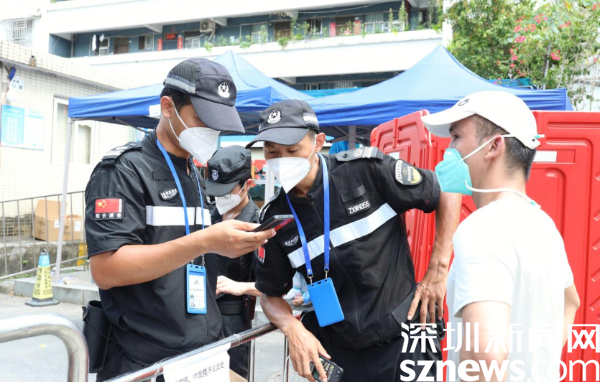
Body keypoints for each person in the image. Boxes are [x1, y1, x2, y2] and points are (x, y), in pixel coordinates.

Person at [84, 58, 275, 381]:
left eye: (217, 125)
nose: (210, 132)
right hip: (145, 359)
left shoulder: (193, 172)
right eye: (202, 120)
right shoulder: (123, 170)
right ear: (167, 107)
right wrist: (205, 241)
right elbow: (106, 270)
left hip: (201, 352)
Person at [248, 99, 461, 382]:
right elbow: (270, 294)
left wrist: (438, 270)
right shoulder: (276, 217)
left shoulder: (366, 169)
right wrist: (292, 328)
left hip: (404, 339)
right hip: (339, 354)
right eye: (272, 151)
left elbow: (447, 188)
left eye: (293, 150)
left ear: (318, 142)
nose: (282, 159)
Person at [420, 91, 580, 382]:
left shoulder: (482, 229)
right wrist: (536, 364)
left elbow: (484, 356)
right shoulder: (543, 224)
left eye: (456, 137)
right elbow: (571, 303)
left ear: (494, 146)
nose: (449, 150)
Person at [204, 145, 261, 379]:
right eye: (215, 192)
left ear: (248, 184)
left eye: (226, 192)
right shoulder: (206, 215)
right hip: (197, 317)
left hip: (233, 321)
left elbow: (275, 284)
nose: (219, 199)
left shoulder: (258, 224)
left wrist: (240, 287)